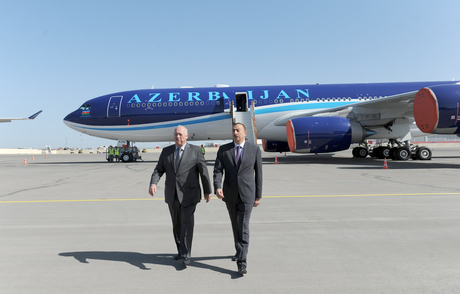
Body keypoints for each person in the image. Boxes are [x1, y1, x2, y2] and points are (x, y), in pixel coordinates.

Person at [149, 125, 212, 266]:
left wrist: (208, 190)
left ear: (187, 136)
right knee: (177, 225)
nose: (178, 137)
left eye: (180, 134)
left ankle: (186, 254)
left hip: (190, 194)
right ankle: (180, 250)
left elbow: (204, 172)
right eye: (176, 134)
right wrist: (153, 183)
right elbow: (158, 170)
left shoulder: (195, 151)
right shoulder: (166, 152)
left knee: (187, 224)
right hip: (172, 195)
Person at [213, 123, 263, 275]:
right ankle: (238, 251)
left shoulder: (254, 149)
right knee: (235, 224)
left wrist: (258, 195)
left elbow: (259, 174)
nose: (235, 133)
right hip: (230, 194)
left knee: (243, 226)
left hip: (247, 194)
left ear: (244, 132)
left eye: (238, 130)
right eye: (233, 130)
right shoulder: (224, 150)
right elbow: (218, 170)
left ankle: (242, 262)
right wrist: (217, 186)